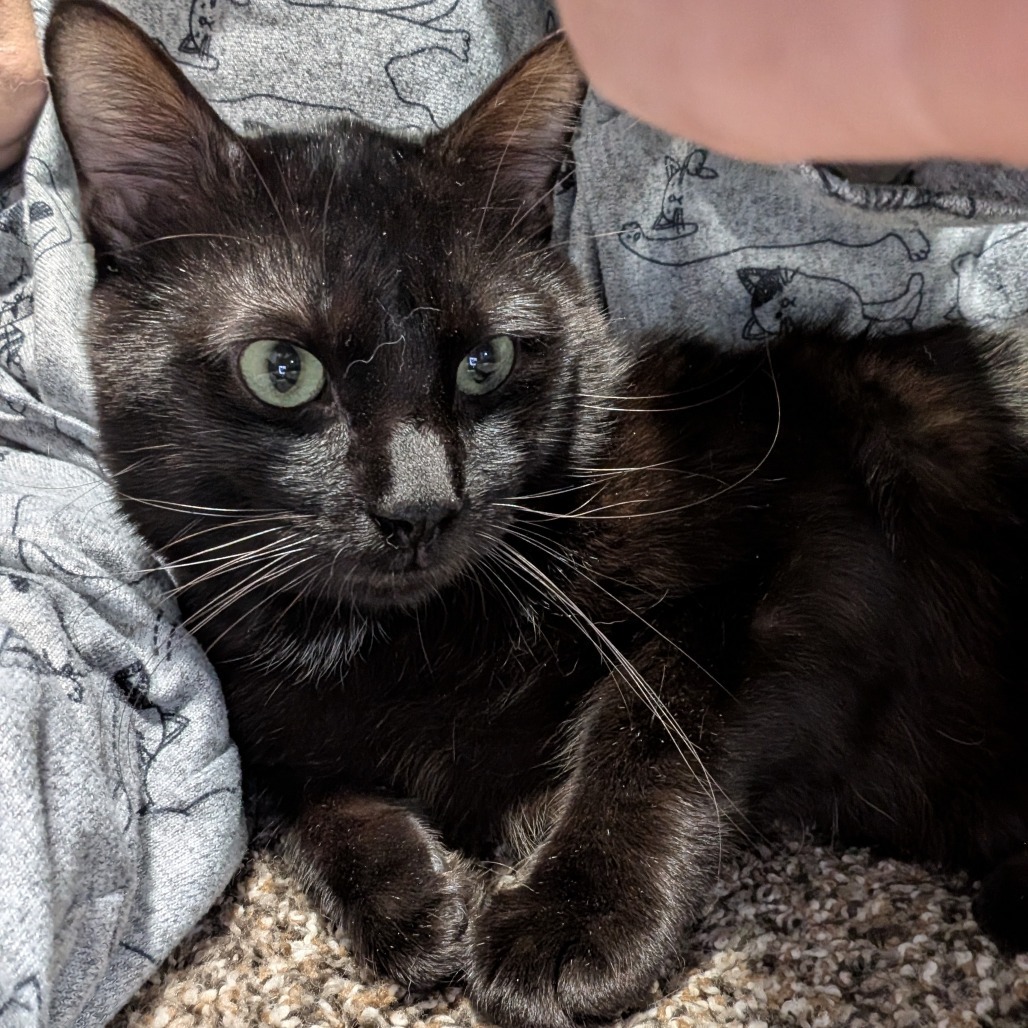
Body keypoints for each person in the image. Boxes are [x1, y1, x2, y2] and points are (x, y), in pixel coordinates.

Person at [3, 1, 1028, 1025]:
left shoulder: (627, 475)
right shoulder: (209, 623)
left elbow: (795, 583)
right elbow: (320, 742)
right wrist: (337, 826)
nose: (421, 490)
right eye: (286, 373)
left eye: (481, 367)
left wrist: (617, 858)